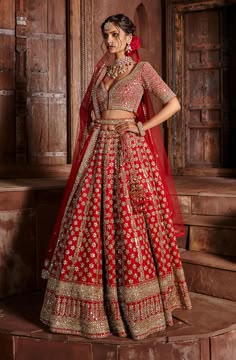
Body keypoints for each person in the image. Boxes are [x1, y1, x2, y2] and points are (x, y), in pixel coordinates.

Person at [40, 14, 192, 340]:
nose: (109, 41)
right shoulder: (102, 72)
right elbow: (92, 111)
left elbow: (174, 103)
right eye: (105, 35)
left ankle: (135, 306)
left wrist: (142, 126)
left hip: (128, 151)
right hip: (98, 151)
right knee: (89, 221)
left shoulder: (142, 70)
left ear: (128, 36)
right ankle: (91, 308)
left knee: (129, 219)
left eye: (114, 34)